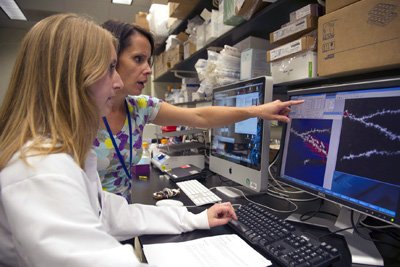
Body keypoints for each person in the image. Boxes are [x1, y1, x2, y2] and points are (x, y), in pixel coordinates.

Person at [0, 14, 237, 267]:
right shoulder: (42, 170)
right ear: (73, 76)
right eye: (110, 68)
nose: (116, 83)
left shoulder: (65, 155)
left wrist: (196, 219)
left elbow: (112, 214)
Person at [95, 20, 304, 202]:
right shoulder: (82, 113)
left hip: (121, 218)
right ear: (111, 59)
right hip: (86, 227)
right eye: (138, 59)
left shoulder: (139, 107)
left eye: (149, 61)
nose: (148, 69)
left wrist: (257, 111)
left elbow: (199, 116)